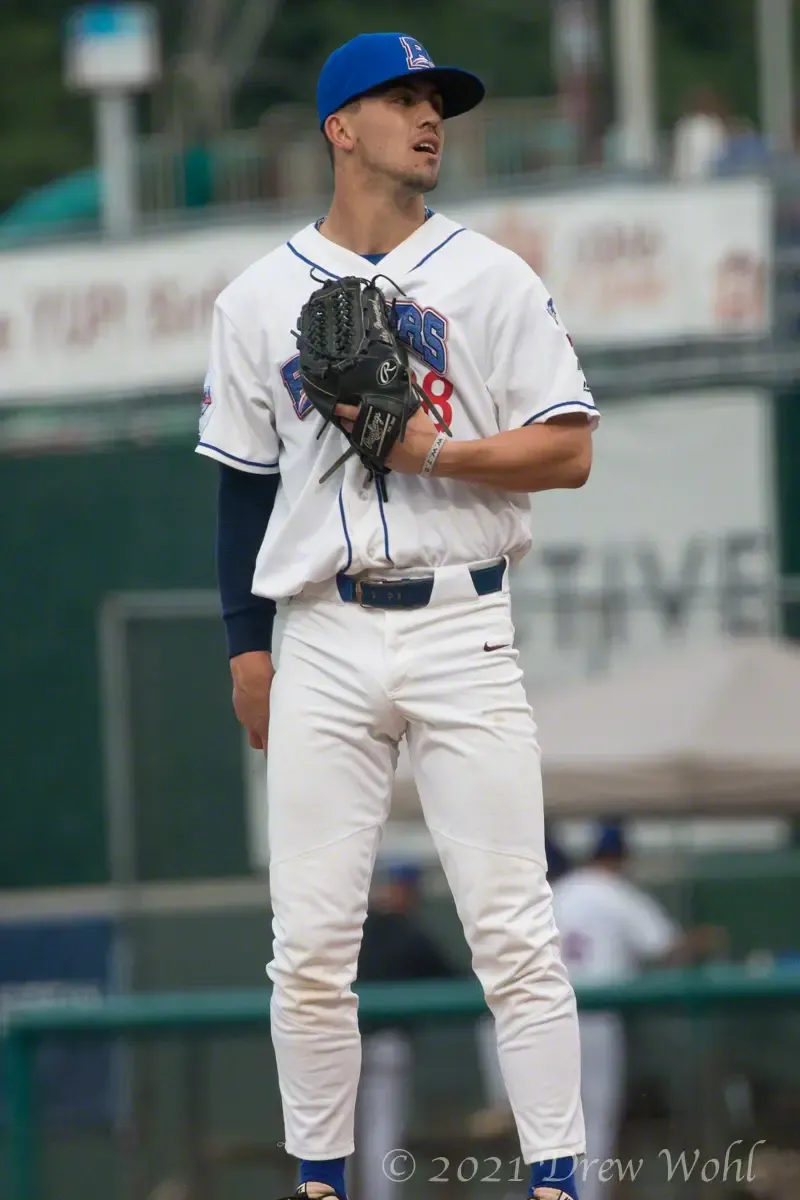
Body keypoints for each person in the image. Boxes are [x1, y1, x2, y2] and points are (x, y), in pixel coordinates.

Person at [197, 30, 599, 1200]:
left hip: (460, 623)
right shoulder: (255, 298)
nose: (429, 115)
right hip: (318, 630)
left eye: (437, 101)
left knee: (514, 935)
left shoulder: (492, 277)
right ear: (338, 126)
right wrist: (245, 647)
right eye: (400, 98)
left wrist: (441, 450)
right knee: (310, 951)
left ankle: (557, 1180)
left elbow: (568, 451)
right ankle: (320, 1181)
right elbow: (242, 485)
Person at [551, 823, 725, 1200]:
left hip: (543, 1020)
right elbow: (665, 948)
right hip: (594, 1020)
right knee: (593, 1119)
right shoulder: (617, 894)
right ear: (621, 858)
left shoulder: (557, 892)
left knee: (548, 1121)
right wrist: (706, 939)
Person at [355, 861, 457, 1200]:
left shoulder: (357, 927)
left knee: (327, 1134)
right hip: (382, 1044)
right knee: (379, 1134)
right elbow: (454, 981)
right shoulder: (410, 934)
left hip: (343, 1043)